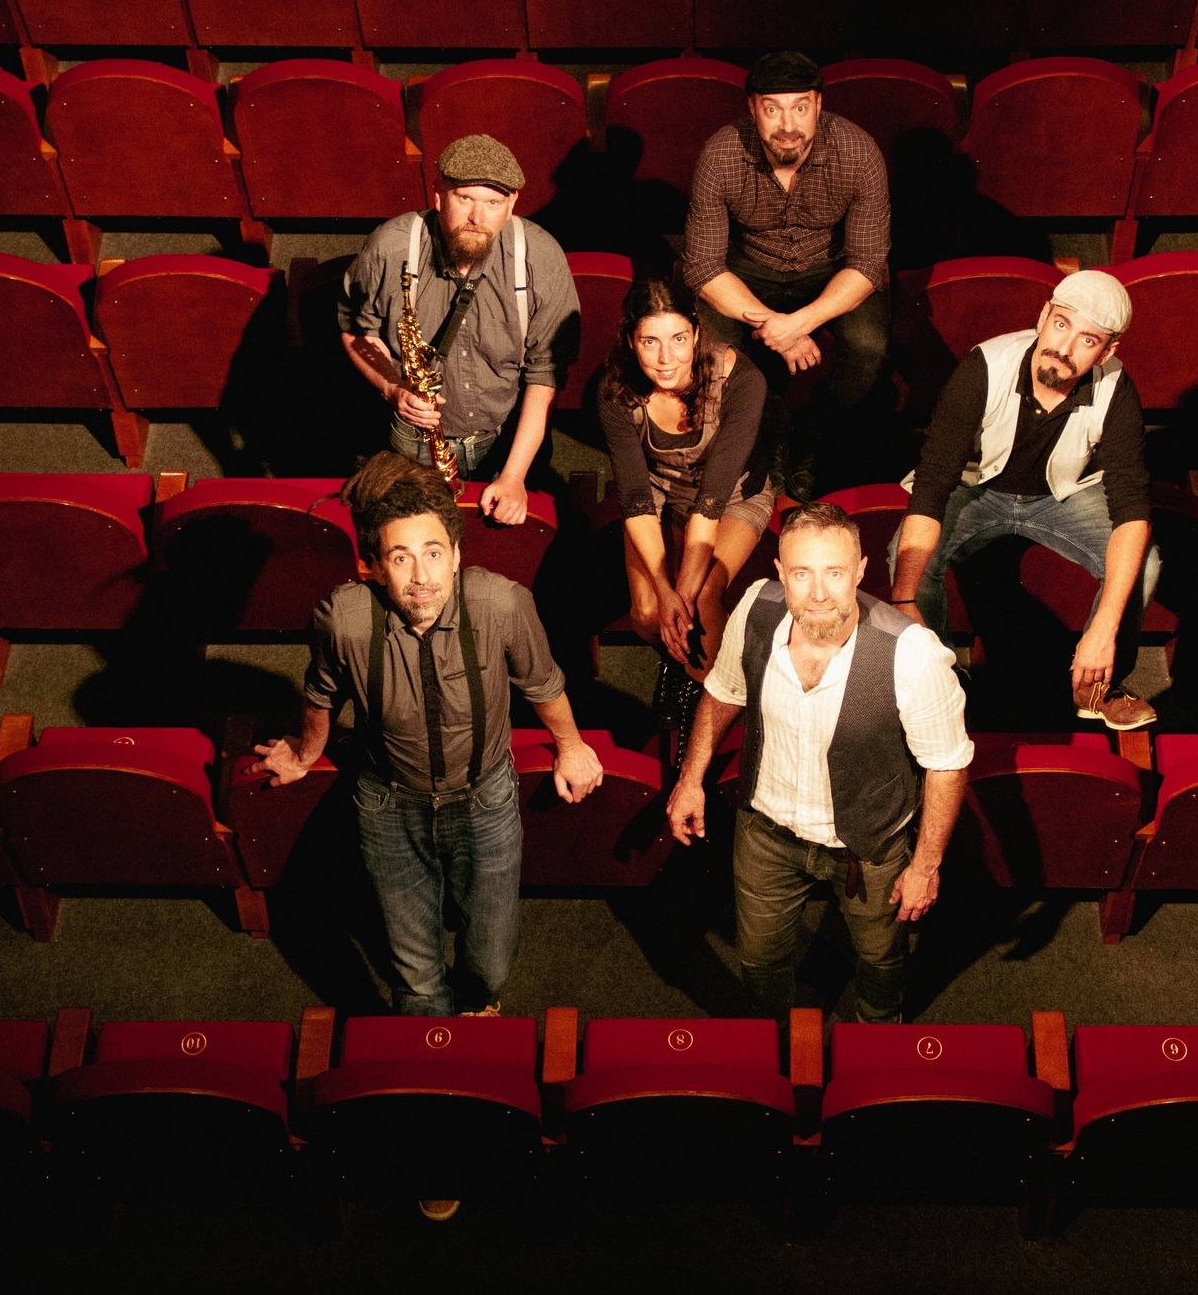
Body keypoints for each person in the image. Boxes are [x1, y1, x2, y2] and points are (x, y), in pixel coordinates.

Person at [248, 453, 604, 1018]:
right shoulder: (344, 619)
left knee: (490, 965)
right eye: (401, 557)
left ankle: (476, 1005)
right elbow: (321, 693)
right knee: (415, 980)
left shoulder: (501, 604)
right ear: (373, 566)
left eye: (434, 553)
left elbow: (542, 684)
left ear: (457, 556)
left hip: (486, 798)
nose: (421, 576)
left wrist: (572, 745)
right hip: (389, 804)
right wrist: (306, 752)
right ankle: (428, 1047)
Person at [667, 504, 971, 1024]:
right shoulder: (755, 608)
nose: (820, 594)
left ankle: (878, 1032)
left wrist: (925, 865)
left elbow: (946, 765)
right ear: (780, 572)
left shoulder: (913, 654)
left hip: (869, 845)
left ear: (860, 571)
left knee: (880, 958)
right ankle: (772, 1036)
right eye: (802, 574)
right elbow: (723, 693)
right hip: (766, 832)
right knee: (759, 958)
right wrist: (691, 778)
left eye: (834, 572)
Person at [885, 269, 1161, 731]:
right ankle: (939, 682)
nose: (1064, 348)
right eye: (1061, 324)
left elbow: (1132, 507)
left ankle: (1096, 689)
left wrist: (1103, 631)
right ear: (1043, 316)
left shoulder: (1117, 390)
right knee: (905, 557)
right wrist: (904, 598)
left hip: (1062, 495)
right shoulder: (984, 366)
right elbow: (933, 481)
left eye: (1087, 340)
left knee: (1144, 562)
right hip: (977, 489)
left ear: (1107, 352)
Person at [683, 50, 892, 501]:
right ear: (752, 108)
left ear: (819, 105)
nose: (788, 125)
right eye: (772, 109)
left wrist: (798, 323)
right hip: (748, 269)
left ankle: (816, 432)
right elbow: (703, 266)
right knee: (713, 347)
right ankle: (771, 430)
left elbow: (868, 263)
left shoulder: (858, 151)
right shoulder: (720, 154)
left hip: (832, 268)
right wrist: (777, 327)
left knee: (869, 345)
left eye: (800, 107)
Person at [339, 135, 580, 524]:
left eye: (493, 203)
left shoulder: (540, 257)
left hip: (506, 439)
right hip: (413, 442)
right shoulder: (390, 247)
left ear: (512, 204)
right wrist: (392, 387)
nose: (477, 217)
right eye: (464, 198)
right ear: (438, 195)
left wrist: (514, 476)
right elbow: (356, 328)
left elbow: (545, 375)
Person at [597, 277, 780, 732]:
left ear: (697, 333)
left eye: (678, 339)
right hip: (659, 493)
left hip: (732, 496)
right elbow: (635, 498)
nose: (666, 358)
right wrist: (664, 592)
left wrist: (683, 595)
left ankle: (704, 711)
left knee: (701, 600)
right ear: (630, 340)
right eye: (650, 342)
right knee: (647, 614)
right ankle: (681, 664)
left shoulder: (743, 380)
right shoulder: (614, 390)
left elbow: (712, 501)